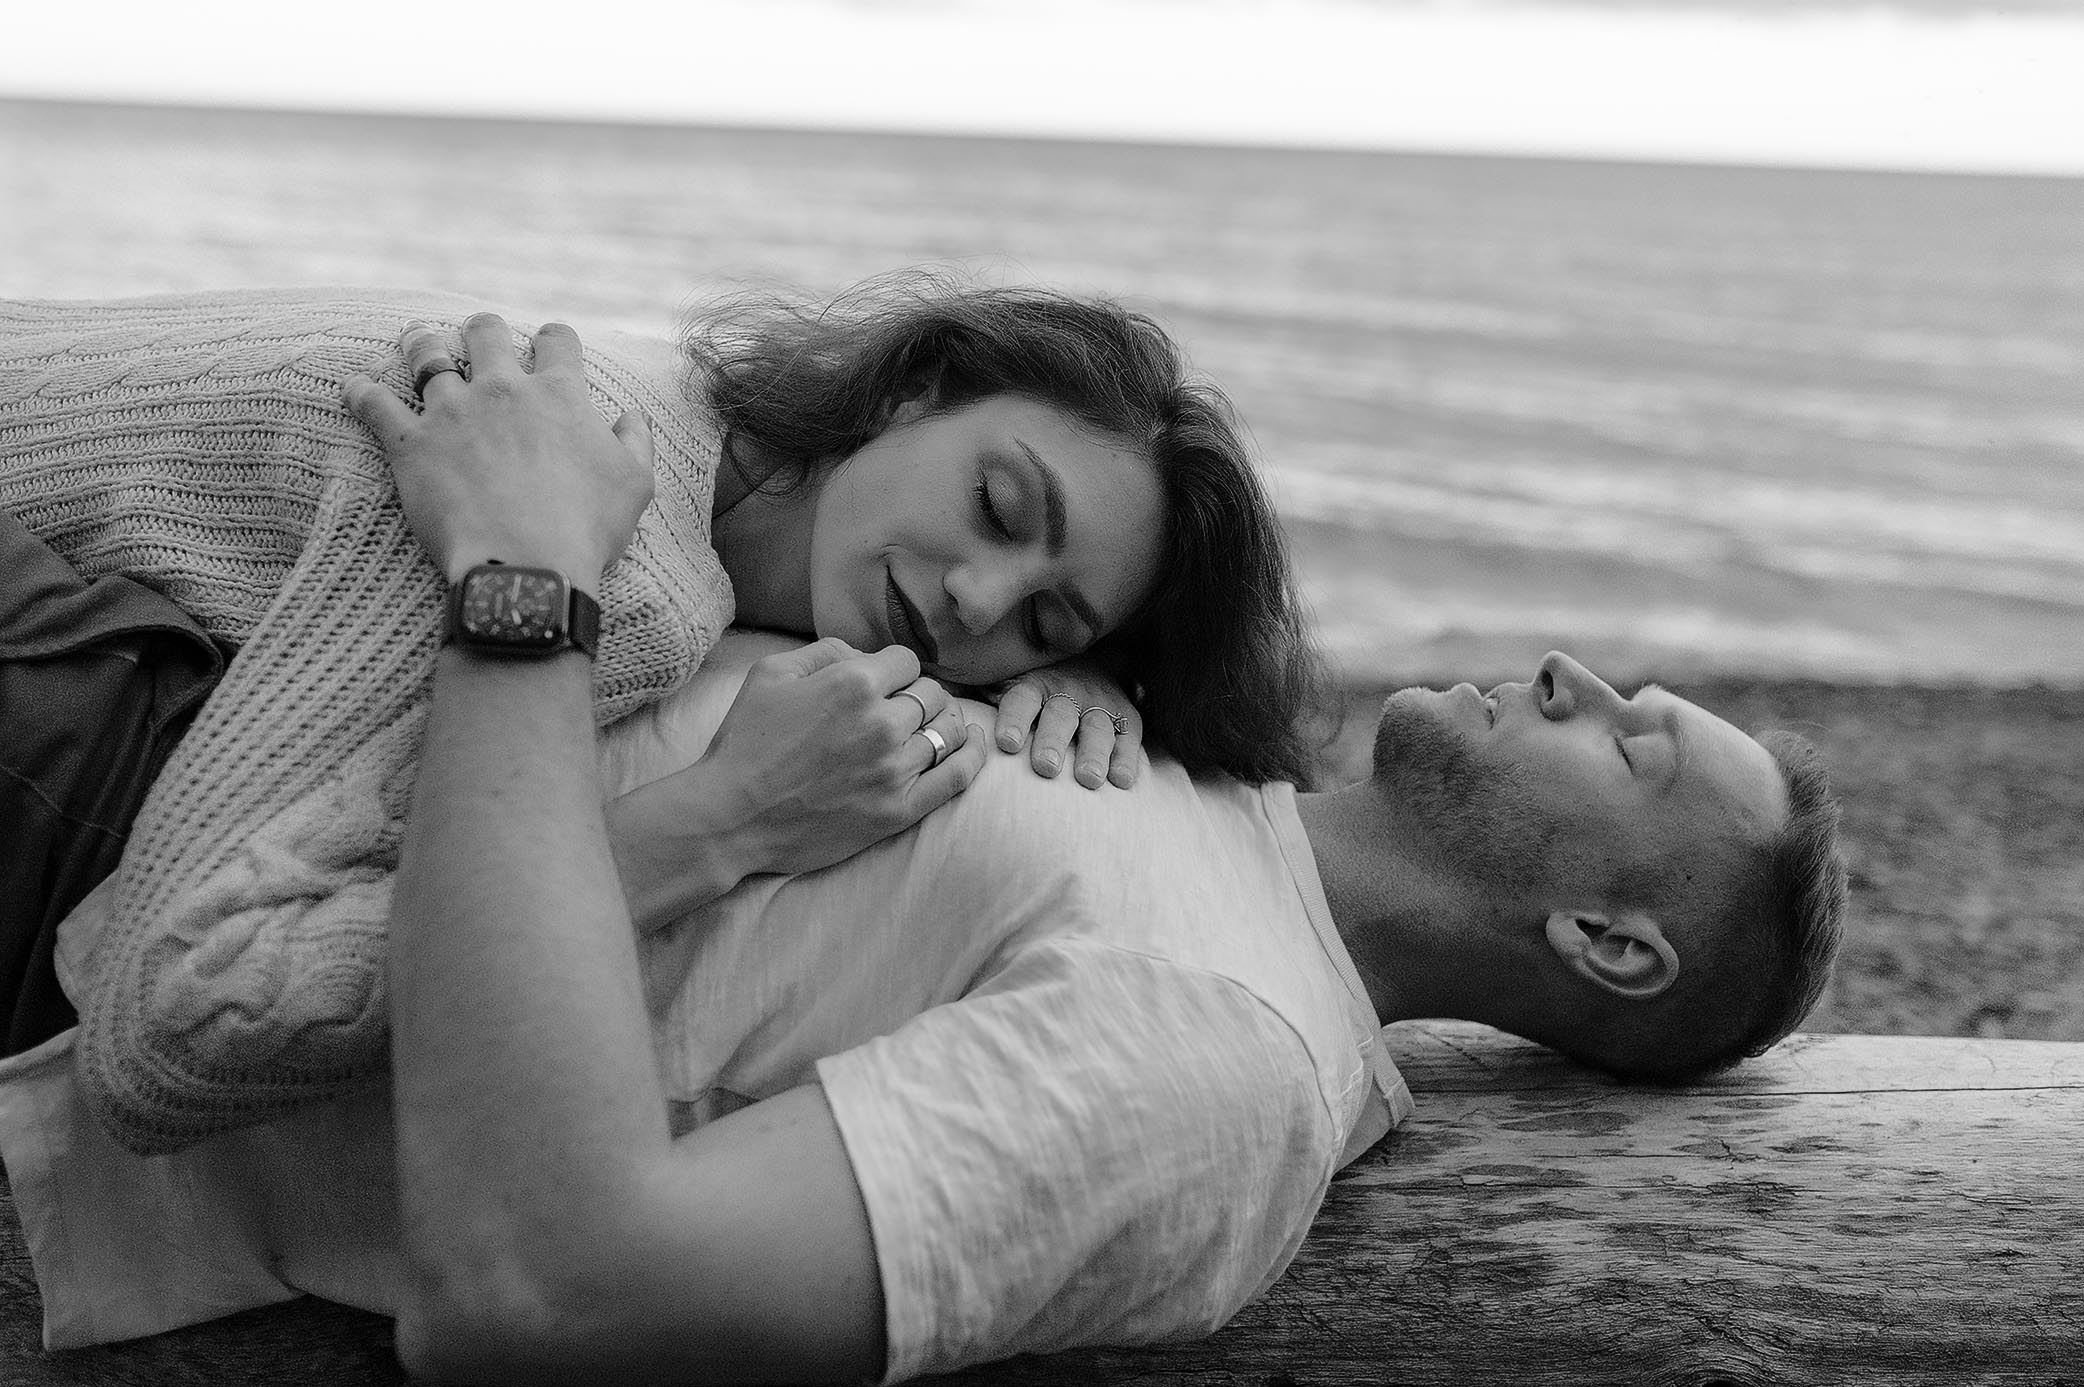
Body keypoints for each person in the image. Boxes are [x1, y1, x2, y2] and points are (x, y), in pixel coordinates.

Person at [0, 324, 1846, 1382]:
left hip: (90, 858)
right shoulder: (1164, 759)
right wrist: (1087, 663)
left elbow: (552, 1285)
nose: (1580, 676)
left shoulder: (1227, 1065)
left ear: (1610, 941)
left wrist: (523, 593)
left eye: (1639, 737)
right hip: (208, 680)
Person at [0, 276, 1324, 1152]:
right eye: (998, 504)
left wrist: (1098, 677)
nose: (978, 599)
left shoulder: (675, 415)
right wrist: (726, 820)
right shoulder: (603, 545)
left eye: (1042, 619)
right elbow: (167, 1029)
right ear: (913, 392)